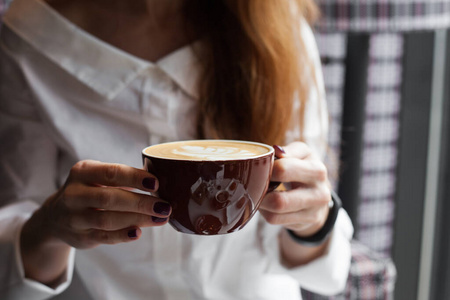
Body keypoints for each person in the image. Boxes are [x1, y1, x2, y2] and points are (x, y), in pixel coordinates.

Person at [0, 0, 353, 299]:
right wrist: (50, 226)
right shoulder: (30, 36)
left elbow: (326, 271)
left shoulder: (277, 26)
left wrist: (313, 221)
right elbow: (18, 267)